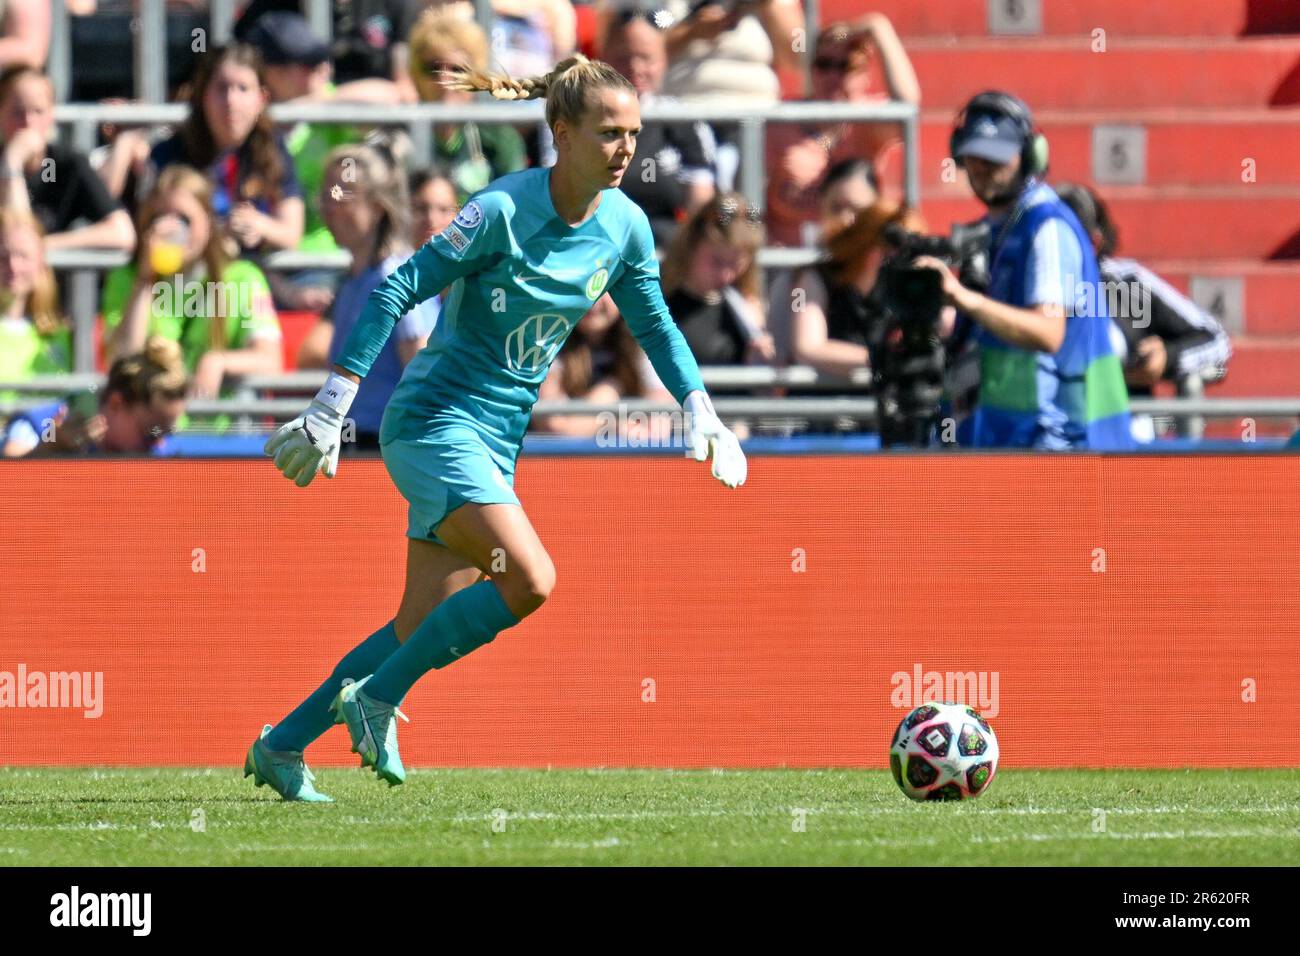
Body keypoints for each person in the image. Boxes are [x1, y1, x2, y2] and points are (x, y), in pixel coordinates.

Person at [247, 53, 746, 801]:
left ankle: (281, 746)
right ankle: (378, 699)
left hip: (496, 441)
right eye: (609, 133)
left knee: (414, 627)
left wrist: (698, 404)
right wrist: (333, 404)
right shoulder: (502, 211)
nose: (625, 150)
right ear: (561, 131)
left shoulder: (625, 226)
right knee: (532, 580)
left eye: (634, 134)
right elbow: (395, 290)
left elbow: (656, 323)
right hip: (432, 423)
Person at [914, 91, 1133, 450]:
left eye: (997, 155)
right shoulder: (1003, 229)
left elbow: (1047, 332)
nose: (983, 167)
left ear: (1031, 155)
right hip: (1021, 441)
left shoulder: (1045, 227)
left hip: (1062, 443)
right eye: (975, 155)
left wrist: (961, 298)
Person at [294, 145, 436, 449]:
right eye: (326, 194)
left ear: (376, 206)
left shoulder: (396, 277)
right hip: (355, 445)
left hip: (388, 450)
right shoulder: (352, 282)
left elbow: (422, 373)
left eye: (343, 194)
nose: (329, 205)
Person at [102, 165, 283, 401]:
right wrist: (145, 281)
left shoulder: (243, 278)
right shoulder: (126, 278)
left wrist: (219, 361)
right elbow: (123, 361)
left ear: (208, 222)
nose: (171, 228)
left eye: (184, 219)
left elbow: (271, 361)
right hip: (154, 430)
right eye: (159, 217)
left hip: (216, 431)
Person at [1054, 182, 1232, 399]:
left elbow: (1215, 340)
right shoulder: (1012, 282)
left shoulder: (1127, 285)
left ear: (1094, 243)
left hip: (1125, 422)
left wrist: (1167, 357)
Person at [765, 14, 919, 247]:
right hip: (786, 264)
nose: (833, 76)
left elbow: (907, 106)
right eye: (823, 64)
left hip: (852, 263)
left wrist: (879, 30)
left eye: (845, 66)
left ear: (865, 77)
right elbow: (751, 197)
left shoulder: (867, 120)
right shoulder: (780, 121)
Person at [149, 44, 304, 256]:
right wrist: (221, 232)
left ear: (262, 99)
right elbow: (155, 230)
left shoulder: (273, 149)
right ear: (203, 96)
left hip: (253, 282)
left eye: (243, 88)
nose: (231, 101)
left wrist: (259, 226)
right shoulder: (172, 154)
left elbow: (292, 234)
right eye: (222, 88)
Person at [601, 8, 717, 247]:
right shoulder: (578, 115)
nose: (635, 67)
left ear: (664, 60)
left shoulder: (683, 120)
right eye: (624, 57)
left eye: (646, 58)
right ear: (603, 58)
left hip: (662, 244)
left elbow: (700, 204)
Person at [0, 67, 134, 251]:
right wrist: (12, 162)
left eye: (38, 111)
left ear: (51, 115)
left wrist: (42, 246)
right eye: (18, 112)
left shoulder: (66, 164)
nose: (28, 122)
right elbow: (16, 235)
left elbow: (122, 233)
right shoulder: (6, 160)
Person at [406, 8, 528, 201]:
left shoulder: (500, 139)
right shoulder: (399, 140)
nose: (444, 79)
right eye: (433, 69)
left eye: (457, 70)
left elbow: (515, 208)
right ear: (415, 75)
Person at [2, 336, 187, 458]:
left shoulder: (161, 451)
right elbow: (9, 477)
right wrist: (52, 447)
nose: (160, 442)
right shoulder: (43, 422)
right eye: (150, 432)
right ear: (116, 404)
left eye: (166, 432)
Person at [534, 292, 675, 440]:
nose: (594, 299)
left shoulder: (643, 345)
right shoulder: (548, 345)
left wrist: (614, 422)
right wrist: (608, 401)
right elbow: (556, 427)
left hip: (626, 459)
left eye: (605, 289)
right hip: (564, 460)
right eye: (585, 285)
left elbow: (658, 426)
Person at [660, 191, 774, 372]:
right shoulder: (657, 303)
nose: (726, 275)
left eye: (736, 264)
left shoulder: (747, 307)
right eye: (717, 261)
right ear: (691, 245)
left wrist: (761, 355)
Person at [0, 206, 69, 406]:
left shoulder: (61, 333)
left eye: (23, 256)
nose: (13, 266)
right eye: (2, 257)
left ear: (41, 261)